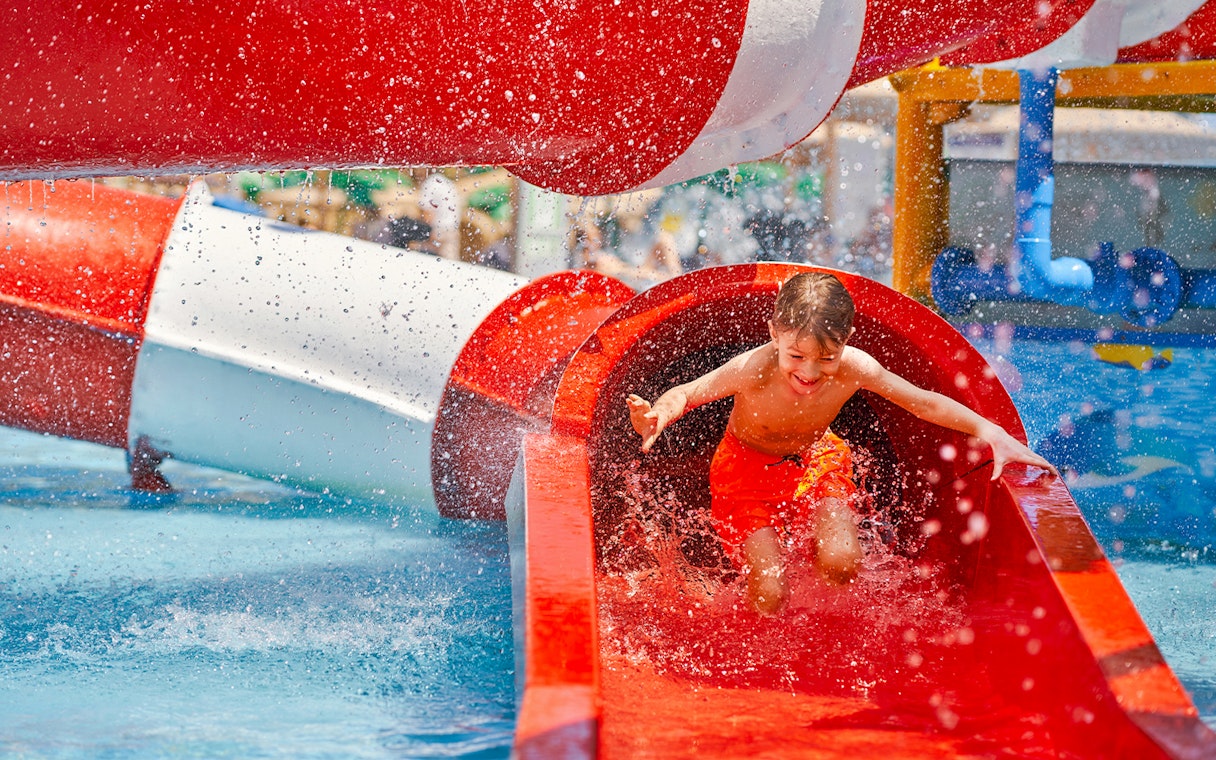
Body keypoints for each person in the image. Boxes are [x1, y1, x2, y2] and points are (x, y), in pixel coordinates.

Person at [625, 272, 1056, 616]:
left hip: (817, 460)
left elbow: (924, 403)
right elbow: (689, 392)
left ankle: (812, 589)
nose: (810, 373)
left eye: (825, 358)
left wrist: (993, 432)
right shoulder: (753, 369)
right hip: (744, 470)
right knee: (770, 594)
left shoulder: (857, 368)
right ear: (774, 332)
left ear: (846, 339)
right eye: (796, 355)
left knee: (841, 563)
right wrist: (659, 414)